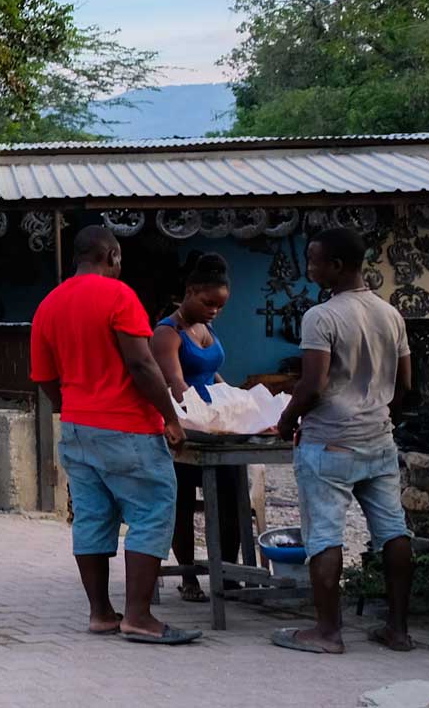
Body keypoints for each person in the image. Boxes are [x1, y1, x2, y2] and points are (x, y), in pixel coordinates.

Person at [30, 225, 196, 645]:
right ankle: (139, 616)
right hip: (128, 427)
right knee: (153, 509)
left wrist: (72, 406)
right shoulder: (119, 296)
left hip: (77, 427)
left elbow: (45, 379)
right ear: (113, 255)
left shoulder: (47, 306)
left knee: (91, 516)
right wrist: (170, 418)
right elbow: (142, 365)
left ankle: (101, 613)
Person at [271, 228, 418, 655]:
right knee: (393, 532)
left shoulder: (323, 316)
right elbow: (406, 382)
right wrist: (382, 413)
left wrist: (285, 420)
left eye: (314, 261)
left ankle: (327, 632)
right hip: (379, 441)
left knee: (324, 537)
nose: (310, 268)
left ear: (336, 266)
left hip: (329, 443)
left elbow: (313, 385)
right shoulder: (391, 314)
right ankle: (399, 631)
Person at [151, 253, 243, 602]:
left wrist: (234, 399)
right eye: (208, 303)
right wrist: (203, 415)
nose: (214, 311)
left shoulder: (207, 328)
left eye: (220, 306)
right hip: (184, 427)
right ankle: (189, 577)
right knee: (183, 503)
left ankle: (229, 573)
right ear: (189, 292)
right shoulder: (167, 333)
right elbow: (176, 383)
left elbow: (212, 374)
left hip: (216, 428)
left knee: (231, 497)